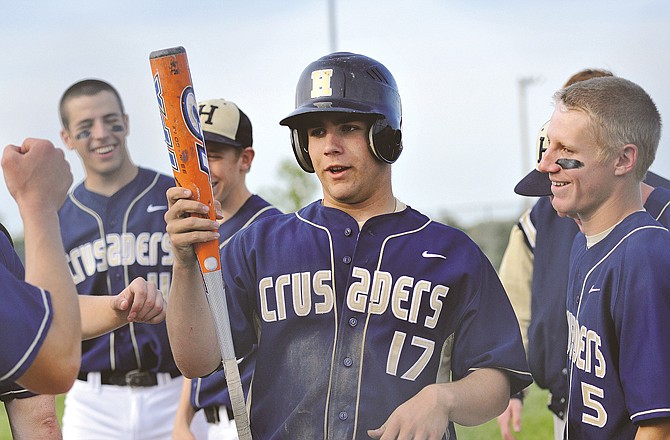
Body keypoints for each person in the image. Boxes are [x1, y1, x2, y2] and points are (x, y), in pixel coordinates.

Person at [164, 52, 532, 439]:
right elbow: (195, 360)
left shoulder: (451, 253)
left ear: (386, 136)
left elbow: (496, 380)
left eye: (349, 127)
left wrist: (444, 399)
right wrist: (184, 264)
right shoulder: (260, 244)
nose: (330, 146)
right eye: (317, 132)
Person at [496, 69, 670, 440]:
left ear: (623, 160)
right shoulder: (585, 241)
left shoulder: (645, 255)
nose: (545, 165)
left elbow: (657, 425)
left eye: (567, 151)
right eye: (549, 146)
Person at [56, 79, 207, 439]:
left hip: (177, 390)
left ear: (126, 121)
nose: (101, 134)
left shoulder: (175, 196)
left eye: (111, 120)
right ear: (67, 138)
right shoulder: (57, 217)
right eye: (85, 127)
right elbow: (51, 314)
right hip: (94, 401)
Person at [171, 98, 281, 439]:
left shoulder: (272, 231)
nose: (201, 170)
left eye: (213, 155)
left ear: (244, 159)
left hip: (252, 418)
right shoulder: (191, 231)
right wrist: (181, 421)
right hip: (207, 422)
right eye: (193, 155)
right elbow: (204, 333)